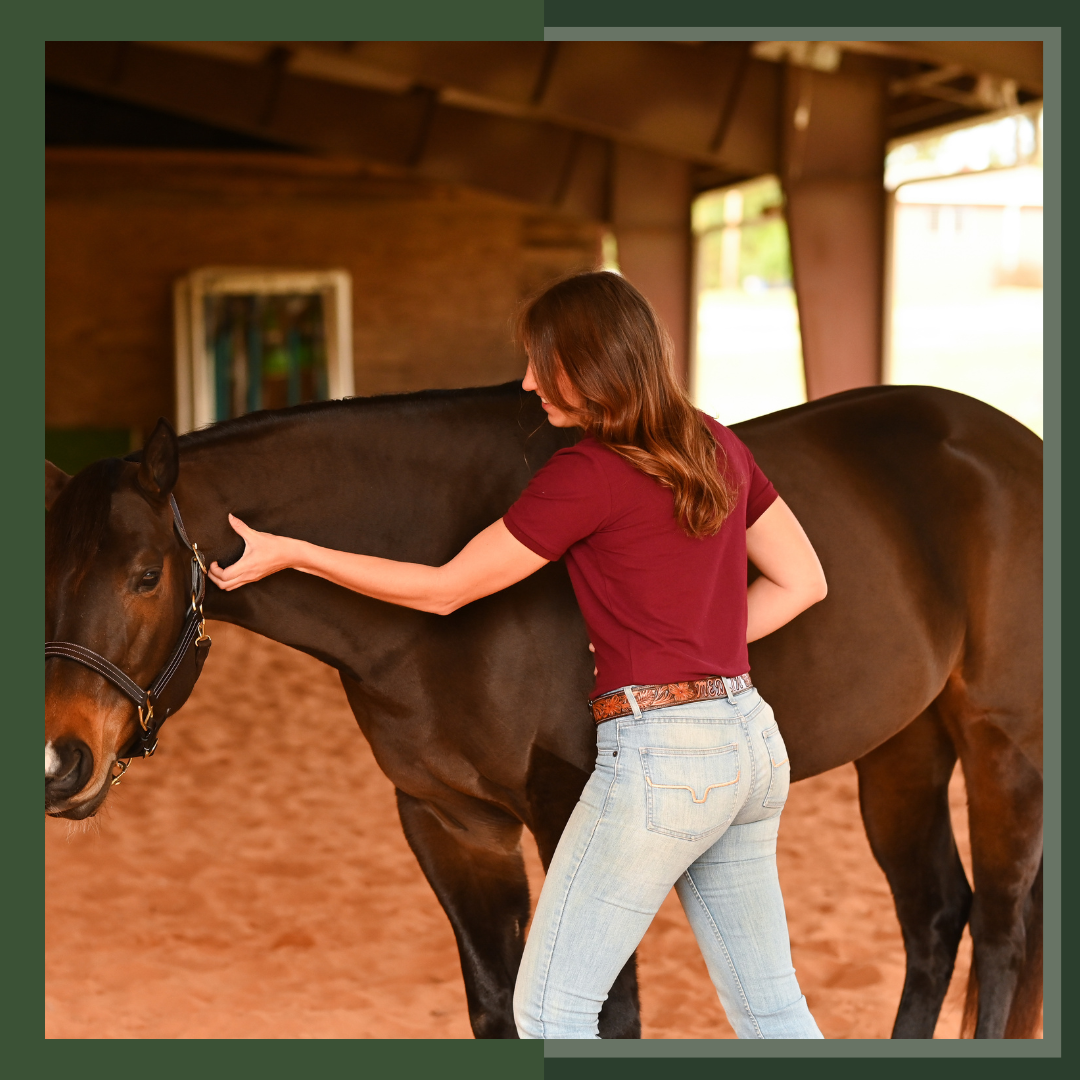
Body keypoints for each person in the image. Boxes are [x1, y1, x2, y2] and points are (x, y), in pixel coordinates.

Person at [209, 271, 827, 1040]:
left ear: (594, 360)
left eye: (545, 361)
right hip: (750, 743)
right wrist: (698, 651)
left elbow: (443, 591)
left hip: (662, 757)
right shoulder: (714, 441)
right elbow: (804, 580)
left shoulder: (587, 473)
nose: (529, 380)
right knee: (771, 1007)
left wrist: (293, 552)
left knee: (547, 1011)